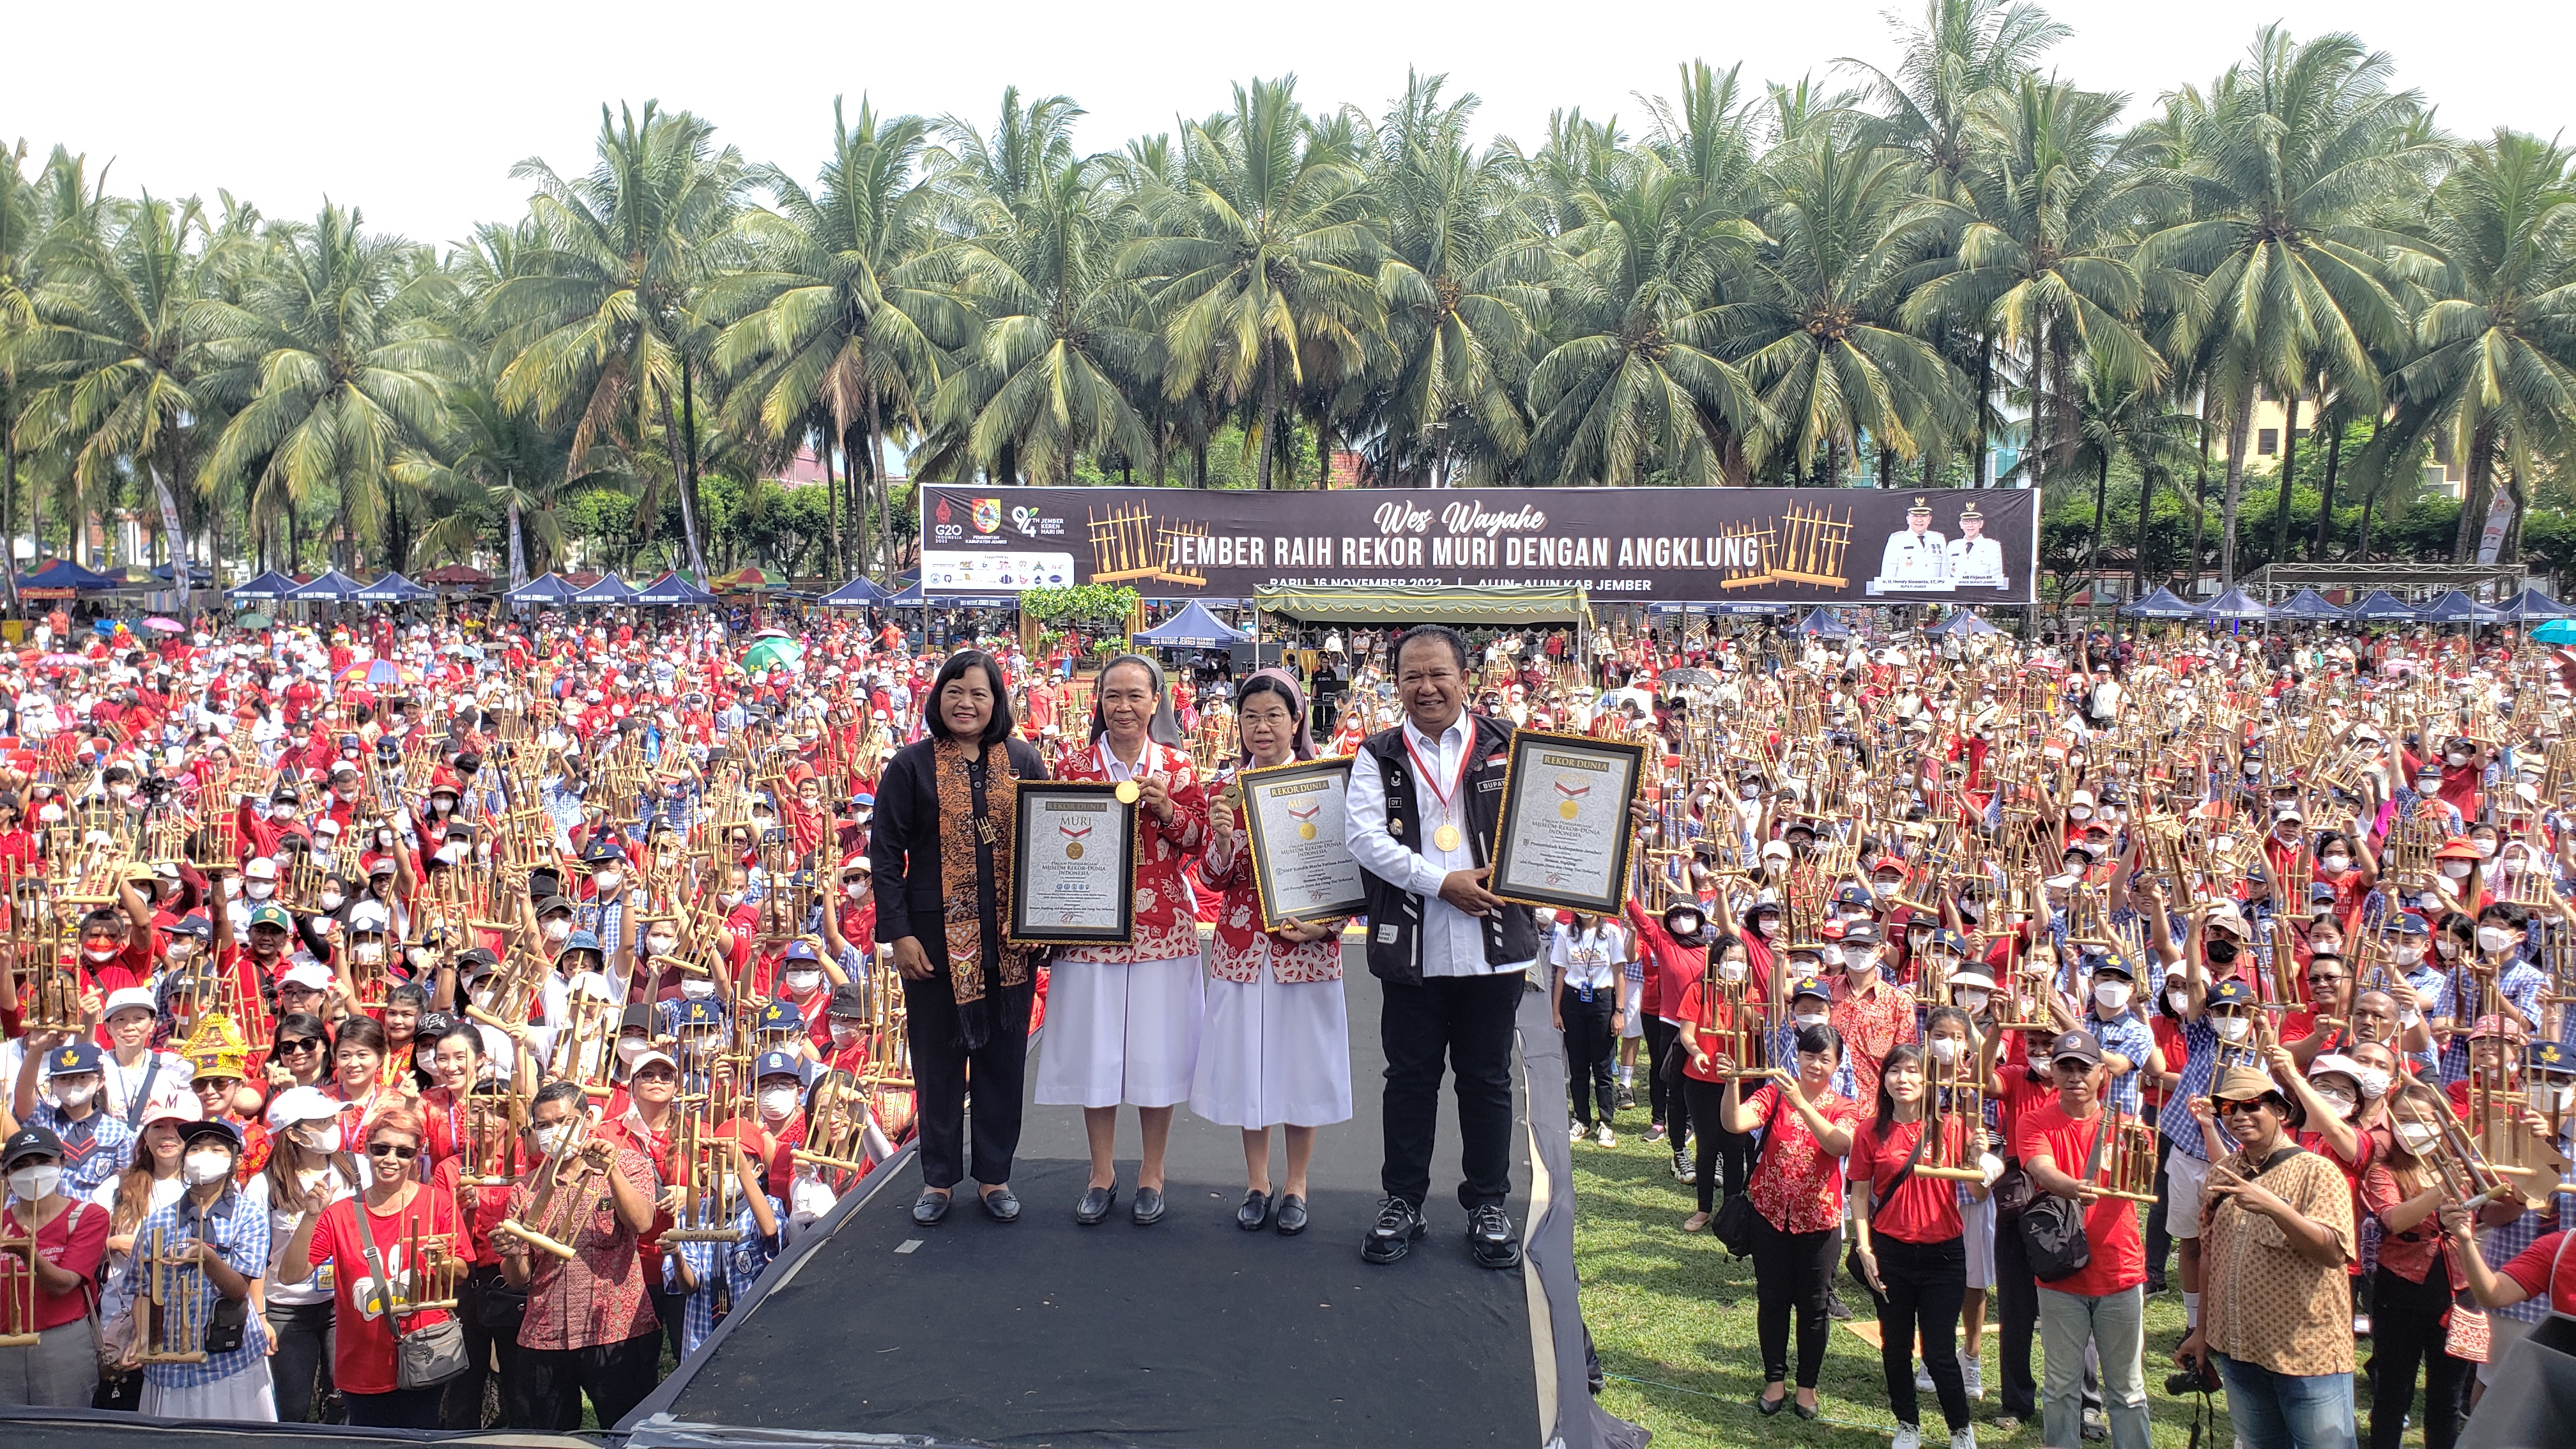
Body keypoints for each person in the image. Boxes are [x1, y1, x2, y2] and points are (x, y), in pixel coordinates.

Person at [1344, 624, 1538, 1270]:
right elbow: (1366, 841)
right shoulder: (1378, 754)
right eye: (1412, 677)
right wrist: (1441, 883)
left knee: (1487, 1081)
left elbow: (1547, 827)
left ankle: (1488, 1203)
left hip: (1493, 945)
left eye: (1438, 675)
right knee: (1409, 1080)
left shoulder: (1512, 746)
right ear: (1396, 684)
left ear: (1465, 678)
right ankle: (1403, 1200)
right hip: (1414, 946)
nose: (1426, 688)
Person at [871, 648, 1048, 1227]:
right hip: (933, 946)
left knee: (1003, 1065)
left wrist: (1046, 922)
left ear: (997, 701)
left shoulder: (1022, 758)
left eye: (979, 693)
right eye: (955, 691)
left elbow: (1047, 846)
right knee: (937, 1066)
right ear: (937, 697)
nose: (966, 703)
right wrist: (898, 935)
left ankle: (995, 1176)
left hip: (1009, 947)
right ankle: (938, 1179)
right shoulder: (911, 765)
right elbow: (884, 856)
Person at [1038, 652, 1209, 1228]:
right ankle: (1101, 1171)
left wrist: (1167, 810)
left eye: (1136, 695)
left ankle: (1153, 1172)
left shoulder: (1180, 770)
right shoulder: (1073, 767)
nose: (1124, 706)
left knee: (1155, 1053)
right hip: (1089, 931)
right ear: (1099, 702)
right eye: (1113, 695)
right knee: (1097, 1050)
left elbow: (1201, 846)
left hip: (1163, 928)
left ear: (1156, 702)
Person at [1190, 670, 1352, 1236]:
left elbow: (1343, 874)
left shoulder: (1323, 786)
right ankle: (1257, 1182)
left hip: (1304, 949)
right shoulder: (1226, 789)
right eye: (1251, 716)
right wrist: (1224, 836)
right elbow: (1213, 877)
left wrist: (1327, 926)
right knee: (1248, 1068)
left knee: (1300, 1068)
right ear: (1238, 723)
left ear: (1297, 721)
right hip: (1241, 948)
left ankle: (1297, 1185)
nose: (1262, 727)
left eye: (1274, 716)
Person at [2178, 1064, 2358, 1449]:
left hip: (2306, 1354)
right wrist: (2202, 1331)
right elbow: (2210, 1256)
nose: (2240, 1116)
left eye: (2252, 1106)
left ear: (2282, 1112)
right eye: (2229, 1109)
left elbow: (2333, 1252)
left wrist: (2278, 1209)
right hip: (2239, 1348)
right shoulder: (2222, 1171)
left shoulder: (2318, 1172)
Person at [282, 1104, 471, 1428]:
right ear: (366, 1150)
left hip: (425, 1352)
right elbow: (291, 1274)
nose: (391, 1159)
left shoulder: (438, 1202)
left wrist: (441, 1261)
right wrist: (311, 1216)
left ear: (418, 1155)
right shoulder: (339, 1213)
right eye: (381, 1149)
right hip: (362, 1361)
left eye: (403, 1152)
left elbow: (463, 1272)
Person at [1710, 1020, 1859, 1419]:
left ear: (1837, 1065)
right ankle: (1774, 1379)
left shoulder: (1845, 1106)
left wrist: (1803, 1104)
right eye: (1809, 1056)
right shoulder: (1775, 1092)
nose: (1814, 1065)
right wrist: (1730, 1084)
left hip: (1820, 1222)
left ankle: (1807, 1387)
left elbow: (1839, 1143)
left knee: (1813, 1307)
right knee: (1772, 1300)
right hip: (1769, 1215)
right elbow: (1735, 1123)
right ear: (1798, 1056)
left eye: (1824, 1059)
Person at [497, 1080, 661, 1431]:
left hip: (615, 1329)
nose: (554, 1131)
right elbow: (518, 1277)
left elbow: (642, 1222)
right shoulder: (526, 1189)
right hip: (546, 1332)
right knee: (551, 1437)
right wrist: (512, 1254)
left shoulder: (629, 1165)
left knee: (629, 1433)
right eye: (543, 1125)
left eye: (563, 1120)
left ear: (587, 1120)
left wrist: (610, 1169)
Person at [2017, 1030, 2149, 1449]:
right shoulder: (2035, 1120)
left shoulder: (2129, 1128)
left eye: (2084, 1068)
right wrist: (2071, 1186)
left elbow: (2141, 1177)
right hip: (2061, 1272)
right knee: (2059, 1386)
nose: (2075, 1077)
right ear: (2052, 1073)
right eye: (2065, 1067)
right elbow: (2040, 1168)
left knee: (2127, 1389)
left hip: (2120, 1271)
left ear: (2101, 1075)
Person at [1850, 1043, 1982, 1449]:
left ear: (1928, 1081)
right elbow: (1858, 1195)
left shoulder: (1954, 1127)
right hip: (1891, 1251)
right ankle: (1907, 1424)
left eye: (1912, 1072)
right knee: (1896, 1346)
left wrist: (1978, 1161)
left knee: (1940, 1351)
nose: (1903, 1080)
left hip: (1944, 1253)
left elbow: (1976, 1189)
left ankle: (1961, 1429)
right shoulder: (1869, 1132)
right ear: (1884, 1079)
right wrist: (1864, 1247)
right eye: (1894, 1072)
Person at [134, 1117, 276, 1420]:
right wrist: (144, 1339)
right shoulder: (158, 1222)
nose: (203, 1156)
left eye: (216, 1149)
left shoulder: (248, 1215)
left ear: (236, 1159)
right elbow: (144, 1291)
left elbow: (240, 1289)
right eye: (196, 1149)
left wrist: (208, 1259)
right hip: (169, 1366)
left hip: (229, 1362)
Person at [262, 1085, 356, 1425]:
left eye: (332, 1118)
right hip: (287, 1309)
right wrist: (260, 1315)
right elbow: (257, 1256)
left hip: (343, 1304)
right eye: (321, 1121)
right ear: (294, 1134)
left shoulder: (356, 1170)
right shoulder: (265, 1184)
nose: (333, 1126)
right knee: (293, 1405)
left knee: (344, 1401)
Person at [0, 1124, 112, 1407]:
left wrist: (29, 1254)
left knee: (62, 1430)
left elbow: (64, 1284)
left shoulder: (88, 1216)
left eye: (42, 1161)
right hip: (5, 1344)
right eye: (21, 1165)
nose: (33, 1171)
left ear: (61, 1162)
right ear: (7, 1175)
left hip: (61, 1342)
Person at [1551, 909, 1625, 1146]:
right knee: (1578, 1066)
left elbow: (1619, 972)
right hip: (1574, 1001)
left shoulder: (1611, 933)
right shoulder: (1566, 933)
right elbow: (1561, 972)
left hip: (1603, 999)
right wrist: (1556, 1011)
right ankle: (1581, 1119)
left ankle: (1605, 1123)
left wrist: (1619, 1011)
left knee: (1603, 1066)